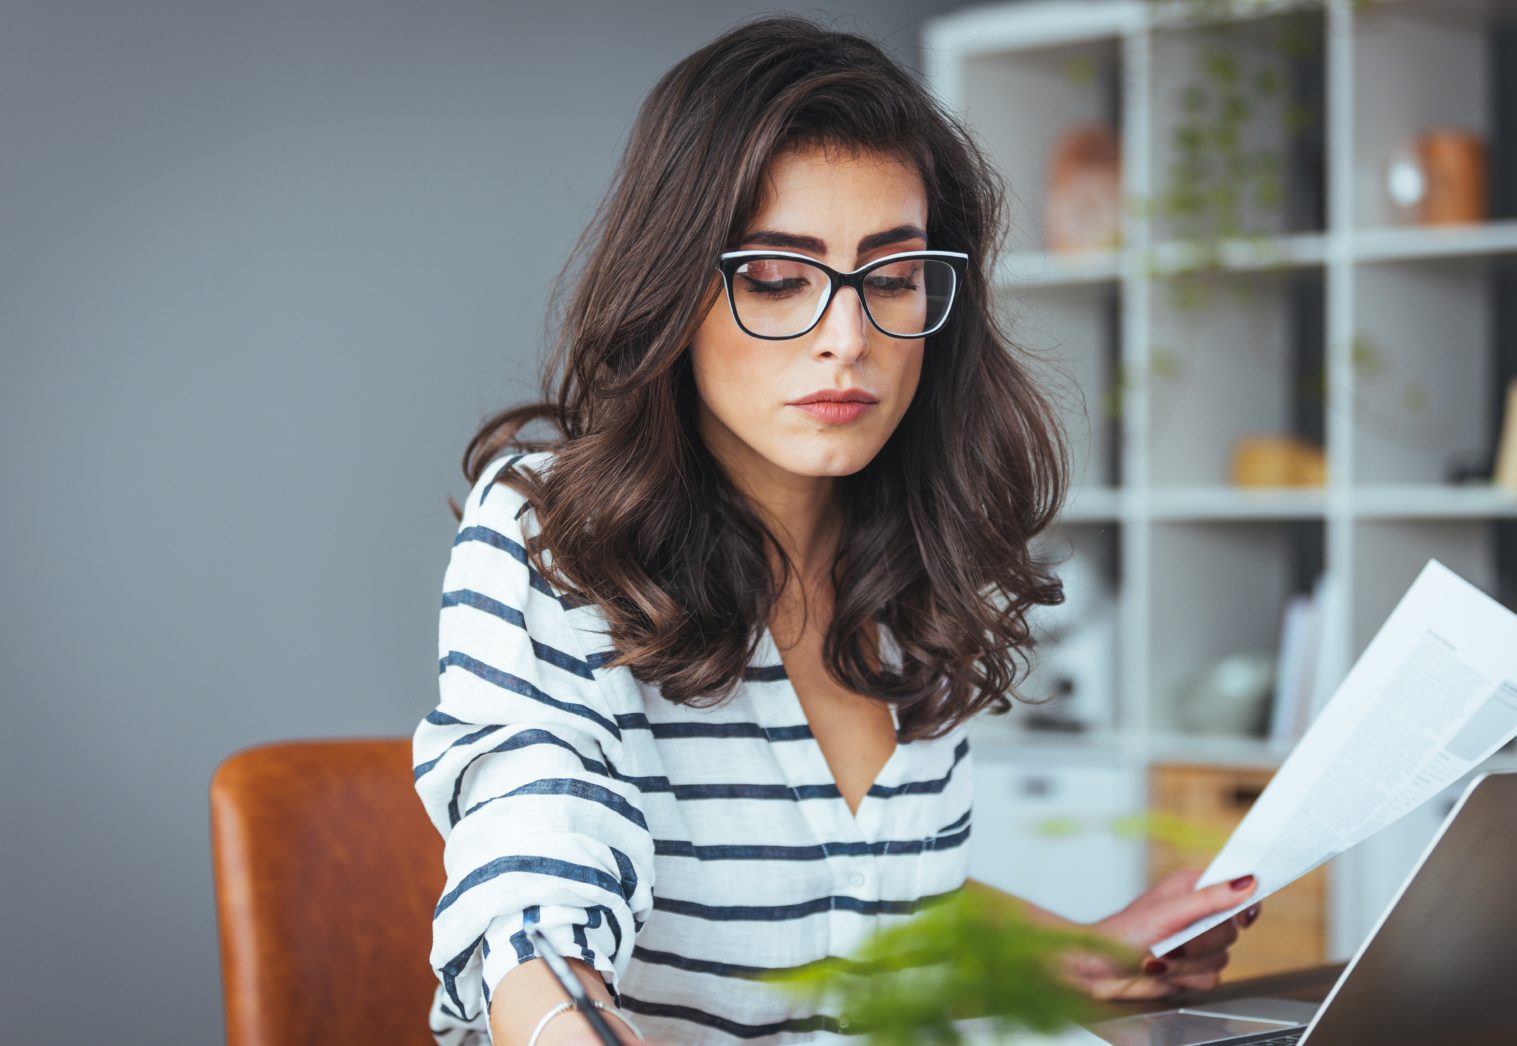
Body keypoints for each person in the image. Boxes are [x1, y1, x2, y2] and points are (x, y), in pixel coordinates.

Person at [411, 13, 1261, 1046]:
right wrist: (559, 1025)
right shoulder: (554, 532)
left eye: (891, 276)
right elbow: (534, 862)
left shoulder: (912, 555)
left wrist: (1083, 953)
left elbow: (856, 902)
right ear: (675, 287)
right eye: (777, 277)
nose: (846, 338)